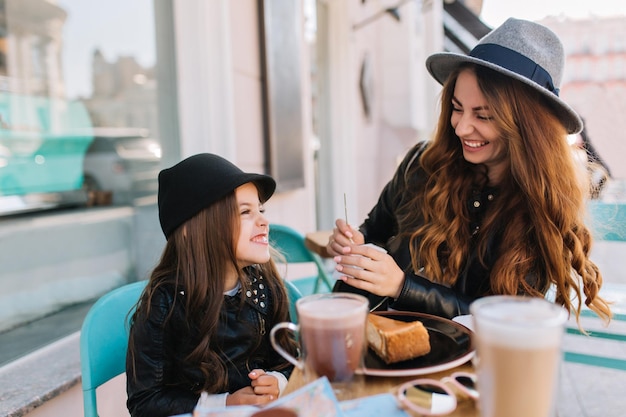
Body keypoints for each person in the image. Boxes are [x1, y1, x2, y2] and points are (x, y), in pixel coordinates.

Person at [327, 18, 611, 323]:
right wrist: (354, 241)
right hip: (376, 347)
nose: (461, 127)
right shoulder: (421, 164)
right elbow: (376, 230)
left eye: (483, 115)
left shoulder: (543, 206)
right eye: (457, 107)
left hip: (469, 365)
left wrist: (403, 286)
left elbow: (505, 319)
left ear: (528, 127)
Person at [126, 153, 297, 417]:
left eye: (260, 210)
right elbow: (145, 401)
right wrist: (226, 403)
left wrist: (276, 381)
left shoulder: (266, 285)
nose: (264, 221)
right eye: (245, 212)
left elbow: (289, 360)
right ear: (193, 228)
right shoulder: (164, 304)